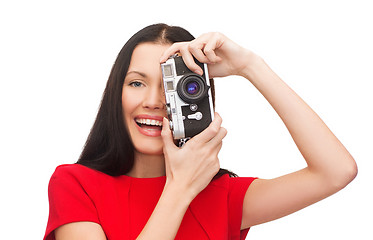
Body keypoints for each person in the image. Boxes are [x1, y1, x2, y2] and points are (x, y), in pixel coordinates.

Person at [43, 23, 357, 240]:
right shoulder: (75, 185)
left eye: (169, 87)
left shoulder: (223, 197)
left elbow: (336, 171)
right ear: (117, 92)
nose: (153, 102)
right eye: (137, 83)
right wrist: (180, 190)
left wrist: (249, 66)